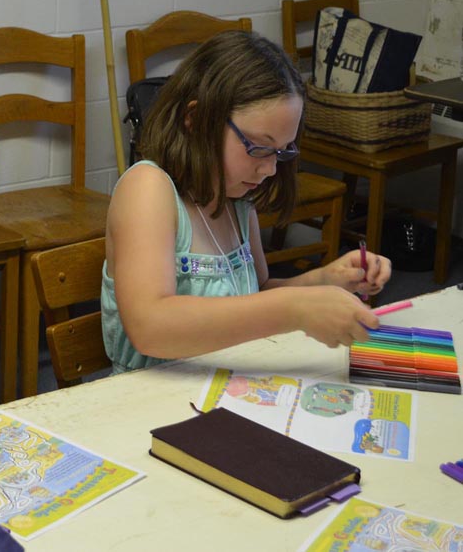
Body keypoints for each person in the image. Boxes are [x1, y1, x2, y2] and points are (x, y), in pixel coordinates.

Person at [101, 31, 391, 374]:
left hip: (226, 385)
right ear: (194, 120)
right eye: (257, 146)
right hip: (146, 399)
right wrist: (295, 308)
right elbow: (150, 327)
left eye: (282, 151)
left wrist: (325, 281)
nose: (269, 168)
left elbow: (258, 291)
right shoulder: (148, 189)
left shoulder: (236, 199)